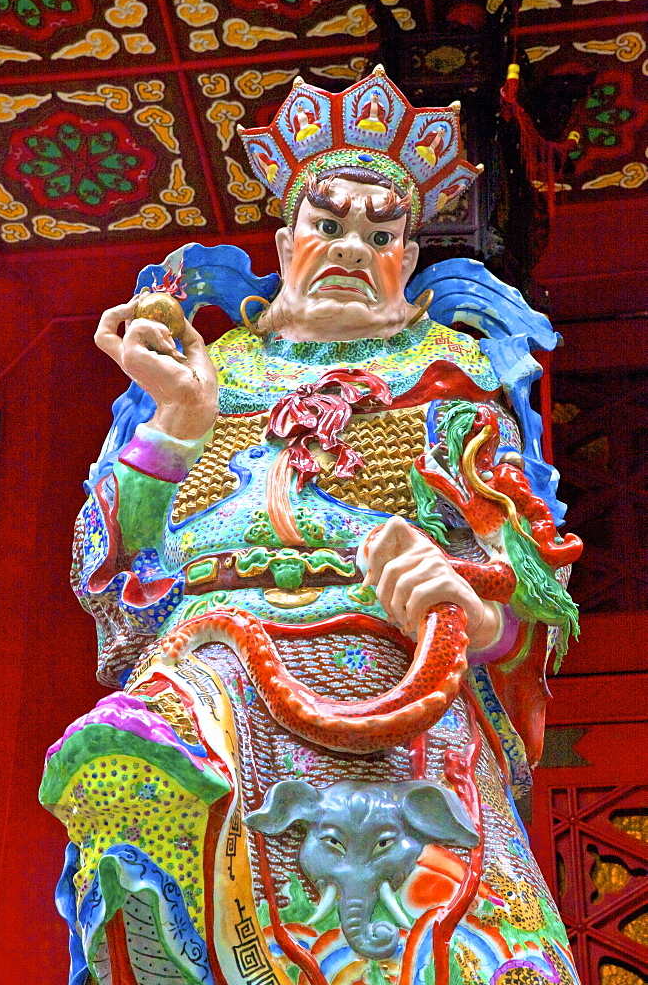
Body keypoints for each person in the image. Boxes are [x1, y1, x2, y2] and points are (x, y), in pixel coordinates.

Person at [41, 67, 581, 985]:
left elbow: (524, 574)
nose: (350, 247)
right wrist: (174, 427)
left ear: (406, 258)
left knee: (463, 941)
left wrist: (468, 605)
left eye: (379, 232)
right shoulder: (205, 366)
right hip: (210, 661)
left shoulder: (449, 371)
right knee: (122, 760)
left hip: (395, 667)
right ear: (287, 240)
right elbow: (118, 560)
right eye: (328, 225)